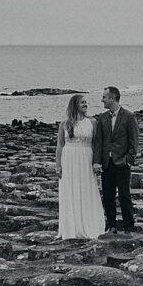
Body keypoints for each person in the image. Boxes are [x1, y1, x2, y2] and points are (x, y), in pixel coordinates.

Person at [55, 93, 105, 239]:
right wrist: (58, 166)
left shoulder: (93, 122)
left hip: (86, 158)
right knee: (70, 190)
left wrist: (97, 162)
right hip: (69, 158)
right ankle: (72, 227)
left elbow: (97, 144)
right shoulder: (65, 124)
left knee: (86, 189)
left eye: (86, 102)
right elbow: (60, 145)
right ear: (75, 105)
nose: (85, 105)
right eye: (82, 102)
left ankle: (89, 224)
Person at [92, 85, 138, 233]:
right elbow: (99, 142)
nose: (102, 100)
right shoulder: (102, 118)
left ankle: (128, 226)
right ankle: (112, 225)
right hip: (107, 163)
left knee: (124, 196)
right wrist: (97, 161)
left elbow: (134, 140)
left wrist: (129, 159)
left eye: (104, 97)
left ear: (112, 98)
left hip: (122, 162)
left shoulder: (128, 117)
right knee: (108, 196)